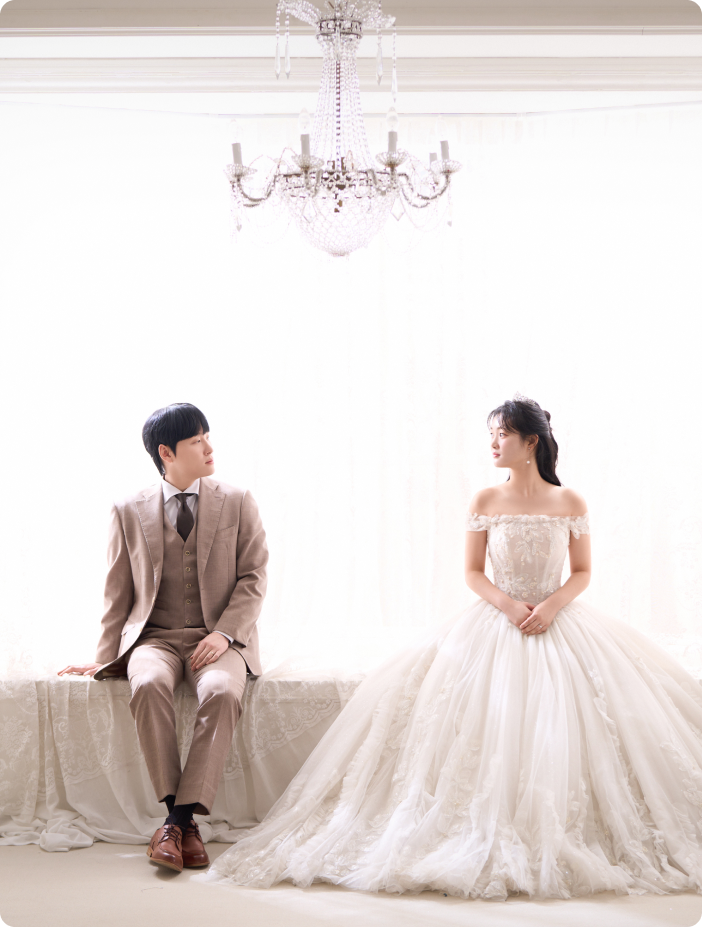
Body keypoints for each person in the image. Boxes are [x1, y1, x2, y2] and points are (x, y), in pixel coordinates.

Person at [201, 394, 702, 899]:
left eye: (503, 434)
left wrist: (550, 607)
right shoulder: (485, 500)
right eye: (492, 434)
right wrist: (509, 607)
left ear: (531, 442)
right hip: (497, 620)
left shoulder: (570, 501)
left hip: (558, 620)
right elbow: (472, 572)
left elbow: (583, 571)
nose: (493, 443)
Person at [58, 402, 268, 873]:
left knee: (221, 691)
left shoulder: (238, 500)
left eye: (207, 436)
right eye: (197, 440)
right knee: (149, 684)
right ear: (166, 452)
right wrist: (105, 658)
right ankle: (183, 824)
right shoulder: (127, 509)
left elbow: (254, 577)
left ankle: (174, 824)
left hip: (218, 638)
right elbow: (117, 590)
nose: (209, 447)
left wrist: (224, 633)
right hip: (153, 638)